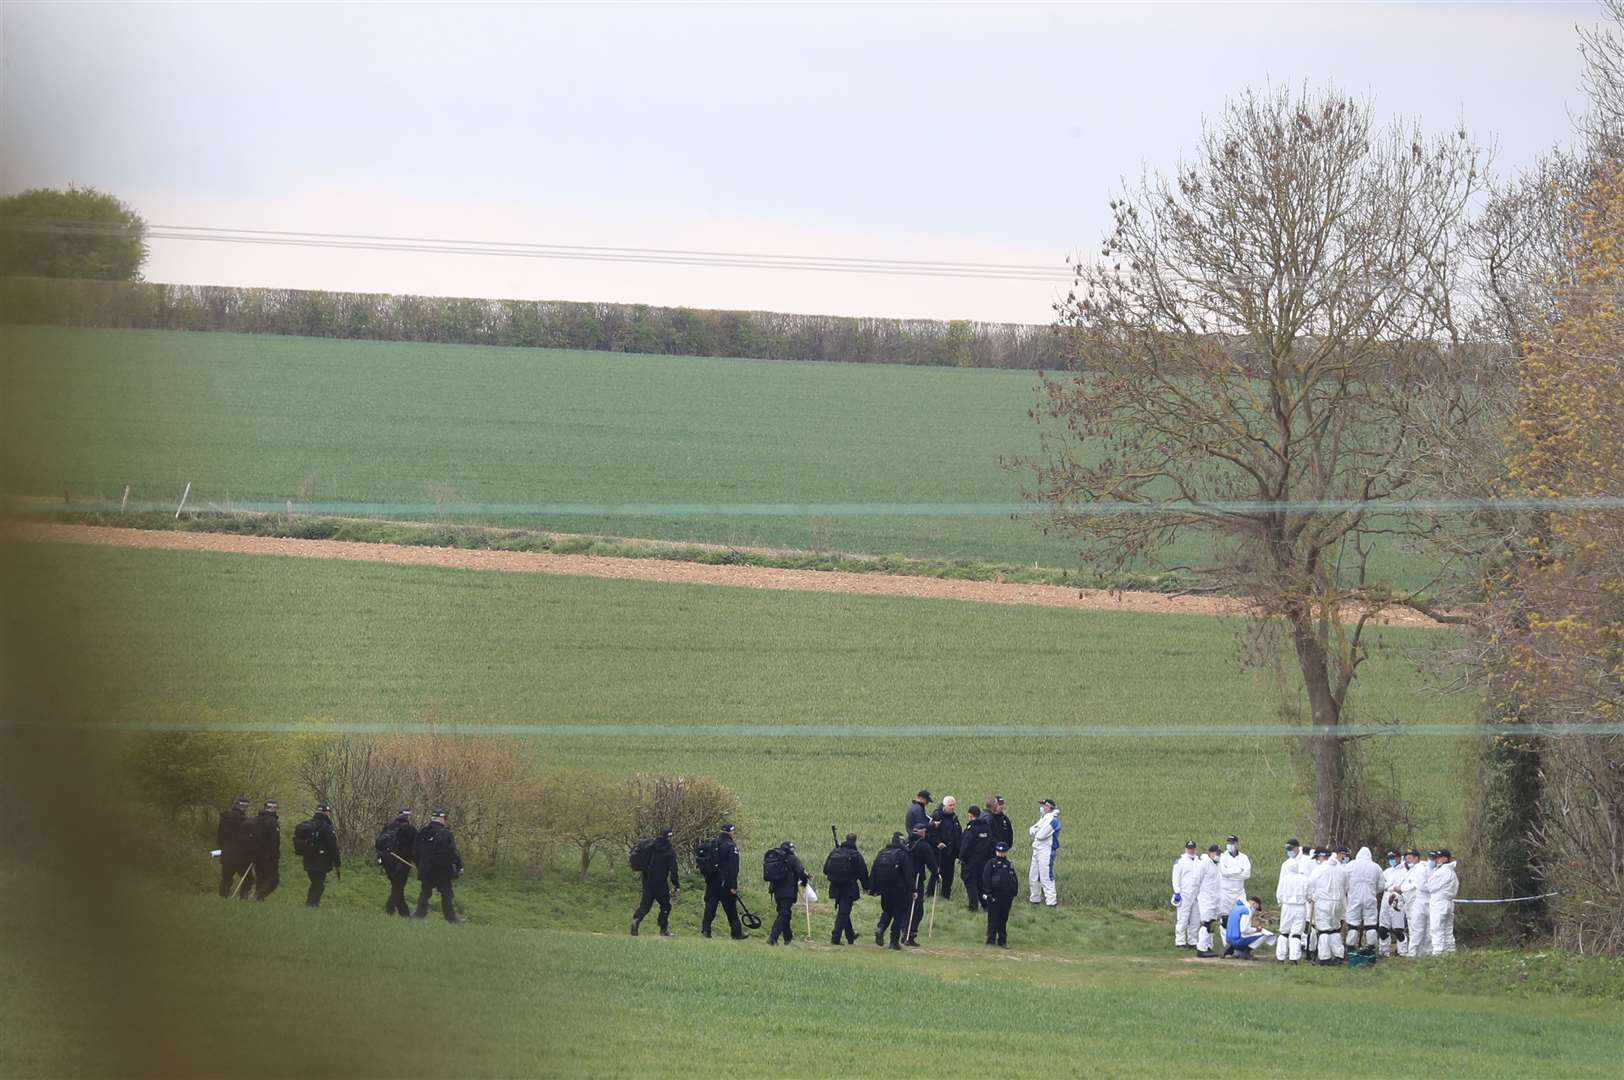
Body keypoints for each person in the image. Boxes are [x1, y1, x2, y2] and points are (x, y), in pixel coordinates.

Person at [413, 808, 463, 923]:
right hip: (442, 871)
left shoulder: (423, 832)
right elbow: (453, 852)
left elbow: (415, 851)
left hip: (426, 870)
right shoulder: (446, 834)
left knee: (425, 892)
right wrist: (459, 867)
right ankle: (450, 918)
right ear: (442, 819)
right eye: (445, 818)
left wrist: (420, 864)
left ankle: (419, 914)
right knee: (447, 894)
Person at [631, 826, 680, 937]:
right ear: (669, 837)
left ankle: (636, 919)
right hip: (661, 882)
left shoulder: (650, 846)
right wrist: (676, 884)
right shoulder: (669, 851)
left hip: (647, 880)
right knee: (666, 905)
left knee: (646, 904)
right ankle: (663, 929)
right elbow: (674, 870)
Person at [700, 823, 747, 940]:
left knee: (710, 907)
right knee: (731, 909)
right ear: (730, 832)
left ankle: (706, 930)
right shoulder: (731, 846)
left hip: (711, 881)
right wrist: (733, 885)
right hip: (725, 883)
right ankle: (736, 933)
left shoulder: (713, 843)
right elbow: (733, 868)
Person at [823, 832, 870, 945]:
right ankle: (835, 937)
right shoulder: (855, 855)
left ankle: (850, 936)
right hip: (849, 887)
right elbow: (863, 873)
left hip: (835, 886)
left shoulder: (835, 852)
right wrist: (867, 887)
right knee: (844, 912)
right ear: (855, 841)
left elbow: (825, 870)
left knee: (843, 911)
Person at [870, 832, 915, 950]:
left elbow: (874, 870)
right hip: (900, 890)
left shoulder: (882, 853)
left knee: (887, 911)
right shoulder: (902, 855)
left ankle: (881, 928)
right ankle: (894, 942)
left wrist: (873, 889)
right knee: (898, 915)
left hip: (884, 889)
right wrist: (913, 890)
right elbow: (908, 874)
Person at [1307, 846, 1348, 963]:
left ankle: (1324, 957)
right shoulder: (1341, 869)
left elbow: (1310, 884)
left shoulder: (1319, 869)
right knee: (1335, 929)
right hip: (1338, 903)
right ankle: (1339, 955)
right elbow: (1346, 887)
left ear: (1321, 856)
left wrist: (1310, 897)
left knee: (1324, 929)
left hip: (1323, 902)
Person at [764, 840, 809, 946]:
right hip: (788, 891)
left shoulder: (776, 858)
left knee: (784, 913)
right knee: (784, 914)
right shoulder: (793, 859)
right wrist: (804, 881)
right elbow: (800, 871)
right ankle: (772, 937)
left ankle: (788, 938)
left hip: (776, 890)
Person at [296, 804, 341, 908]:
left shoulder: (309, 824)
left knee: (315, 882)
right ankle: (311, 904)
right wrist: (337, 862)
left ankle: (311, 904)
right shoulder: (326, 827)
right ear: (326, 813)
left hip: (308, 859)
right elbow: (332, 847)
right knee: (318, 884)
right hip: (321, 861)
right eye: (329, 812)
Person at [376, 806, 417, 918]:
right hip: (402, 863)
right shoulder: (410, 829)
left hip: (386, 862)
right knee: (398, 887)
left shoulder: (388, 827)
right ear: (408, 816)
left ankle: (404, 913)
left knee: (397, 886)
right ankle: (389, 909)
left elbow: (379, 844)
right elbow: (415, 848)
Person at [904, 824, 940, 945]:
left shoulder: (905, 843)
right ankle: (910, 935)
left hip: (903, 880)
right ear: (922, 833)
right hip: (916, 879)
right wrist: (936, 874)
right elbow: (931, 862)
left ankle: (903, 932)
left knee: (906, 907)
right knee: (917, 909)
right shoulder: (923, 846)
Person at [1344, 846, 1385, 951]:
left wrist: (1349, 891)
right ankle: (1371, 946)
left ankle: (1350, 946)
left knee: (1353, 923)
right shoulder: (1376, 867)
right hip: (1370, 898)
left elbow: (1344, 882)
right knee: (1370, 923)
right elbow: (1381, 885)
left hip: (1354, 898)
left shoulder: (1351, 865)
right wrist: (1373, 891)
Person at [1393, 849, 1431, 957]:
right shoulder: (1412, 869)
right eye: (1406, 858)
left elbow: (1414, 884)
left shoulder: (1420, 868)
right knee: (1416, 927)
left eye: (1410, 857)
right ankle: (1421, 951)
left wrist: (1401, 888)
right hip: (1411, 903)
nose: (1407, 860)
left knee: (1417, 927)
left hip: (1417, 903)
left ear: (1416, 858)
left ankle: (1415, 951)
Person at [981, 841, 1019, 948]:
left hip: (1006, 896)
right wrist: (987, 892)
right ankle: (990, 940)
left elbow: (1014, 879)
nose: (1001, 854)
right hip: (994, 895)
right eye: (999, 851)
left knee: (1003, 919)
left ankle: (1002, 941)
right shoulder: (991, 863)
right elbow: (986, 878)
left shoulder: (1009, 865)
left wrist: (1014, 892)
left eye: (1003, 852)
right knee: (993, 919)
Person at [1273, 848, 1309, 964]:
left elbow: (1279, 893)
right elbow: (1309, 894)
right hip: (1300, 907)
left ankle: (1281, 957)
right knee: (1296, 933)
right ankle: (1294, 957)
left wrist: (1280, 902)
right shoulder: (1304, 879)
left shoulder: (1284, 879)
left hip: (1287, 906)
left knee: (1284, 932)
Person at [216, 795, 251, 899]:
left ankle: (223, 896)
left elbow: (220, 836)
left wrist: (223, 847)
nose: (245, 808)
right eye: (244, 806)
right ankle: (243, 898)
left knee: (226, 877)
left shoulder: (225, 817)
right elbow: (245, 838)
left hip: (227, 852)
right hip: (240, 854)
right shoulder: (244, 820)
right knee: (248, 878)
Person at [1027, 799, 1060, 907]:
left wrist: (1036, 829)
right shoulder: (1043, 818)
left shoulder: (1053, 820)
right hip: (1037, 849)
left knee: (1046, 877)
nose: (1042, 808)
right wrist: (1037, 828)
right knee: (1033, 876)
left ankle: (1051, 902)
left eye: (1044, 806)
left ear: (1049, 807)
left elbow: (1040, 835)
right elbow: (1031, 830)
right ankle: (1035, 899)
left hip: (1046, 851)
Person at [959, 806, 992, 913]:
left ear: (970, 815)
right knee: (981, 884)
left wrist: (961, 857)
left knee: (970, 883)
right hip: (983, 862)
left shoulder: (971, 829)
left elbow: (965, 846)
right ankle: (986, 905)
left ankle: (973, 907)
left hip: (970, 862)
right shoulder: (986, 828)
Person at [928, 796, 962, 901]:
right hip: (938, 852)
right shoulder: (936, 816)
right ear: (944, 805)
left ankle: (945, 896)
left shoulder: (954, 818)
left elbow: (958, 833)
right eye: (950, 805)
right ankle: (929, 894)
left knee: (949, 876)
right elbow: (930, 832)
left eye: (953, 805)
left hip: (951, 853)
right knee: (936, 874)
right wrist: (937, 843)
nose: (952, 807)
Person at [1192, 844, 1223, 957]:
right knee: (1206, 923)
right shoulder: (1204, 863)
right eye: (1216, 853)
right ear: (1210, 853)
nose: (1218, 855)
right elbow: (1196, 880)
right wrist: (1194, 895)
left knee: (1212, 923)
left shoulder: (1218, 864)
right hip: (1205, 897)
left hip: (1215, 898)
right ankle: (1201, 948)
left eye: (1219, 853)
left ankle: (1208, 946)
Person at [1427, 849, 1459, 956]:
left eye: (1439, 857)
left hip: (1439, 903)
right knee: (1447, 930)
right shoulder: (1452, 872)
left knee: (1436, 929)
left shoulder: (1442, 871)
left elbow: (1430, 887)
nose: (1436, 860)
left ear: (1445, 858)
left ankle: (1438, 953)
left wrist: (1430, 874)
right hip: (1449, 903)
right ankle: (1450, 951)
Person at [248, 799, 281, 901]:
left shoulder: (255, 820)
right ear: (271, 808)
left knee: (261, 878)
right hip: (268, 856)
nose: (275, 810)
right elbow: (274, 840)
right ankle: (259, 895)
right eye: (275, 808)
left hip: (255, 855)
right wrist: (275, 854)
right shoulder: (272, 822)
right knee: (273, 880)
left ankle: (258, 900)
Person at [1172, 840, 1202, 949]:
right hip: (1184, 894)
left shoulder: (1199, 861)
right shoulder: (1180, 862)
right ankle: (1180, 941)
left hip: (1196, 895)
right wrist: (1177, 892)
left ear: (1195, 848)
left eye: (1193, 848)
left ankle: (1192, 941)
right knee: (1183, 919)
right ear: (1185, 849)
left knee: (1195, 919)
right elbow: (1176, 878)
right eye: (1189, 848)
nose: (1191, 850)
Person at [1377, 849, 1407, 957]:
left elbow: (1403, 887)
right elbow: (1381, 885)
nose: (1392, 860)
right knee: (1382, 928)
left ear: (1399, 857)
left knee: (1398, 929)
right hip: (1386, 898)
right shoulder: (1387, 871)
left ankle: (1402, 951)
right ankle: (1384, 951)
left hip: (1397, 899)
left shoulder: (1405, 871)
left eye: (1393, 858)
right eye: (1390, 858)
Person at [1218, 834, 1251, 913]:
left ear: (1237, 844)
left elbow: (1247, 874)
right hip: (1225, 893)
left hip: (1239, 893)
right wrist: (1239, 870)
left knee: (1243, 912)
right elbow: (1224, 873)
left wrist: (1230, 875)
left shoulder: (1244, 857)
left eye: (1232, 843)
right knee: (1225, 916)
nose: (1230, 845)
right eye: (1228, 843)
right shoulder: (1222, 857)